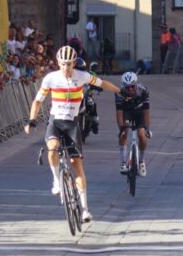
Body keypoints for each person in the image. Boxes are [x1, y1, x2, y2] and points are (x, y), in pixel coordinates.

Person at [24, 46, 121, 223]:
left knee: (77, 164)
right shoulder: (50, 78)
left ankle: (85, 209)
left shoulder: (82, 76)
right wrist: (32, 120)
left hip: (72, 124)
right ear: (58, 63)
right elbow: (38, 100)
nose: (66, 68)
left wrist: (119, 90)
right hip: (56, 121)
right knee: (52, 149)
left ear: (74, 63)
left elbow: (102, 83)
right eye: (62, 64)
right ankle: (55, 180)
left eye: (69, 64)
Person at [116, 71, 151, 177]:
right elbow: (119, 112)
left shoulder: (143, 90)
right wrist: (121, 128)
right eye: (127, 87)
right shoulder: (119, 92)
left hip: (140, 112)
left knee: (141, 134)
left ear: (136, 84)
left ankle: (141, 161)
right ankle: (123, 163)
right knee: (124, 132)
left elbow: (146, 111)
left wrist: (147, 128)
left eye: (132, 86)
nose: (130, 89)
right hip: (127, 112)